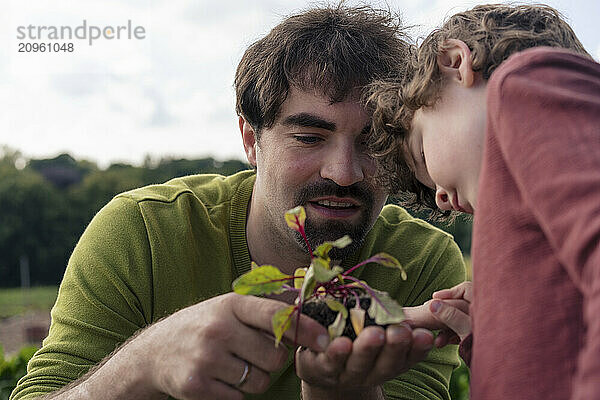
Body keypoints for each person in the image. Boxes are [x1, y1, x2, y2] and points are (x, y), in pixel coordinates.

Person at [11, 5, 466, 400]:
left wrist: (339, 388)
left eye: (373, 142)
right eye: (309, 138)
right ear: (251, 140)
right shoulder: (143, 233)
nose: (343, 172)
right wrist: (147, 360)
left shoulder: (422, 261)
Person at [368, 3, 599, 399]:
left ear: (456, 63)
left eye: (422, 152)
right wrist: (491, 333)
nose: (440, 199)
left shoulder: (525, 84)